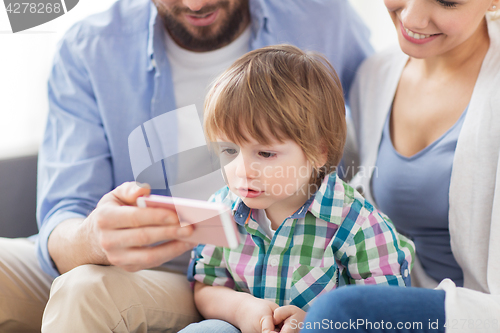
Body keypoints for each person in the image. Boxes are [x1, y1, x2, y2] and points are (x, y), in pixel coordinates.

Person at [0, 0, 373, 332]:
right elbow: (64, 212)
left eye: (264, 153)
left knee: (84, 290)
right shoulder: (88, 47)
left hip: (201, 283)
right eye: (228, 151)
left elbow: (381, 119)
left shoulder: (323, 15)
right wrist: (94, 238)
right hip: (138, 268)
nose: (196, 4)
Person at [178, 45, 414, 333]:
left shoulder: (358, 225)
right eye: (229, 150)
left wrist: (317, 324)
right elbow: (205, 286)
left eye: (265, 154)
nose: (241, 170)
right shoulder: (220, 208)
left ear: (318, 152)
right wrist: (242, 310)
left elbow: (386, 315)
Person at [302, 1, 500, 332]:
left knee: (339, 311)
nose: (411, 17)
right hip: (395, 299)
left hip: (479, 313)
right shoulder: (375, 76)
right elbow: (329, 187)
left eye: (447, 0)